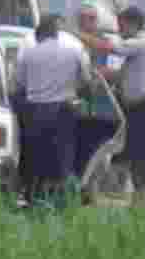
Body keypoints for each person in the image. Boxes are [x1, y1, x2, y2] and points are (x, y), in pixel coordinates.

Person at [77, 6, 145, 209]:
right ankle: (143, 198)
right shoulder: (136, 50)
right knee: (136, 153)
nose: (119, 29)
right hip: (137, 108)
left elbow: (110, 48)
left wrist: (80, 36)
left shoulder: (140, 42)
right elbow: (121, 75)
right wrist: (98, 73)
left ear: (133, 24)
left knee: (144, 154)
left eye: (121, 25)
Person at [14, 14, 93, 204]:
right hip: (63, 111)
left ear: (39, 35)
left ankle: (33, 197)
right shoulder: (73, 51)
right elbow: (87, 82)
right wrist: (82, 98)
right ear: (56, 33)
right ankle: (61, 199)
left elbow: (19, 85)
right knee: (62, 157)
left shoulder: (28, 54)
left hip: (34, 112)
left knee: (35, 157)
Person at [69, 4, 120, 184]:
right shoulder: (70, 43)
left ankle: (96, 183)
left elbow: (115, 70)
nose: (88, 22)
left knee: (100, 147)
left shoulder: (105, 42)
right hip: (78, 105)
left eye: (91, 18)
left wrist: (97, 72)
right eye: (84, 18)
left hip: (102, 104)